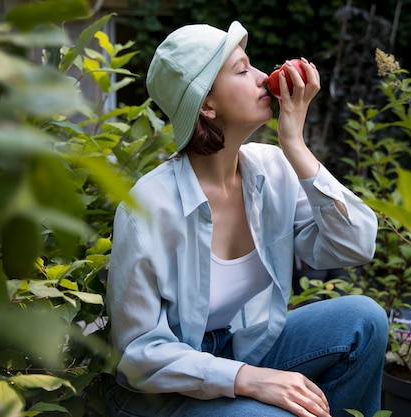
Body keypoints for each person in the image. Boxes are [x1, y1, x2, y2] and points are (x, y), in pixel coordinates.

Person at [105, 20, 388, 417]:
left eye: (253, 65)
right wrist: (248, 378)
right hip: (162, 391)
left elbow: (355, 244)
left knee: (364, 321)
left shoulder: (273, 168)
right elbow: (138, 355)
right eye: (241, 70)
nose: (262, 79)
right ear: (206, 104)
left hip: (243, 346)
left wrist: (295, 145)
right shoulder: (149, 207)